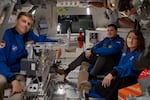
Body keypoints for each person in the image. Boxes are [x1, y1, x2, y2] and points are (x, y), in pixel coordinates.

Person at [0, 12, 61, 100]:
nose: (26, 25)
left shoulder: (29, 35)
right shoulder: (6, 36)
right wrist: (12, 80)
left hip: (20, 74)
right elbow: (1, 61)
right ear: (17, 21)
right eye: (23, 21)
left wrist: (57, 45)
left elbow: (42, 40)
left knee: (18, 96)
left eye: (29, 24)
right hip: (4, 72)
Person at [83, 30, 145, 100]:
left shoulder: (140, 56)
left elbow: (128, 67)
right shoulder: (126, 52)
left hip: (131, 82)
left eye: (135, 38)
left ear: (139, 41)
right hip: (119, 78)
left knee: (103, 87)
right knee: (100, 85)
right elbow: (120, 66)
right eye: (129, 37)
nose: (131, 40)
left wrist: (113, 73)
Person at [56, 24, 124, 79]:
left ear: (116, 31)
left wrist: (94, 51)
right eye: (108, 30)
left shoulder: (119, 41)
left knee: (103, 56)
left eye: (111, 30)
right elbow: (95, 46)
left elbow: (109, 51)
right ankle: (66, 71)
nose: (109, 32)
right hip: (103, 62)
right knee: (85, 54)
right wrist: (90, 50)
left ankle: (92, 76)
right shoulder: (106, 39)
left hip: (112, 65)